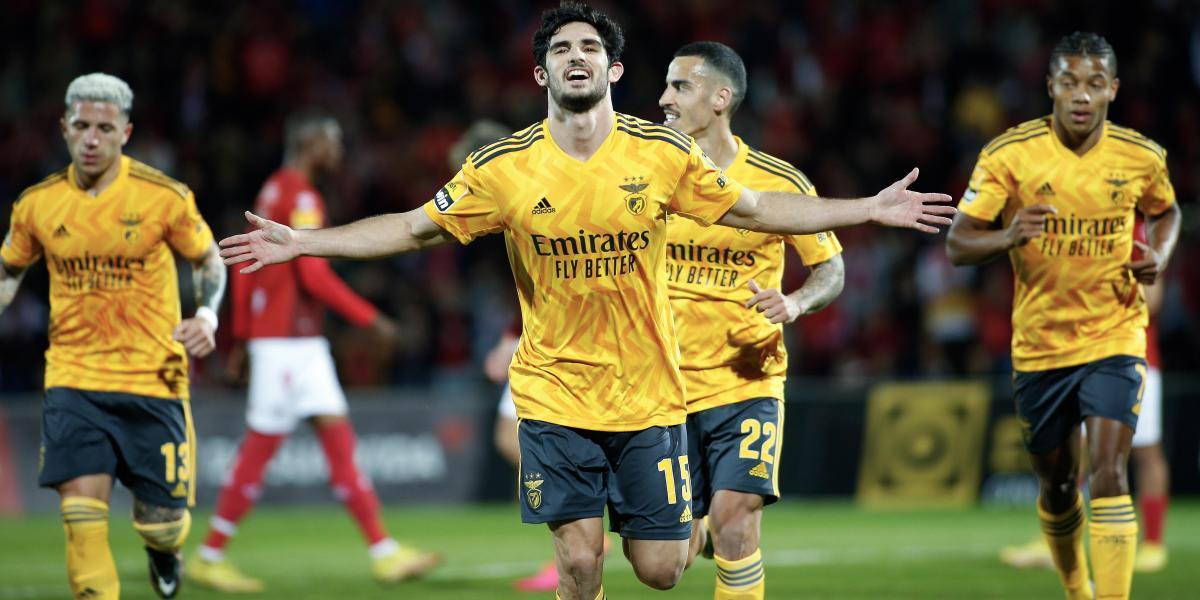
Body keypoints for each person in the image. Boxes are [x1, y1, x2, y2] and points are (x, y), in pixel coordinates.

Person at [219, 3, 955, 598]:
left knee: (664, 569)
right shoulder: (500, 167)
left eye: (591, 48)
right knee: (579, 565)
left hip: (650, 395)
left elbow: (760, 210)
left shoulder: (662, 154)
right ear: (542, 71)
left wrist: (866, 209)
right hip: (555, 393)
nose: (578, 56)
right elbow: (413, 227)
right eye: (563, 49)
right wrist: (306, 242)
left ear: (614, 68)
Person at [947, 32, 1181, 600]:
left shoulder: (1141, 156)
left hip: (1115, 333)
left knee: (1108, 473)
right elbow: (958, 244)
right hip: (1041, 345)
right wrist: (1009, 234)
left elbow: (1167, 212)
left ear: (1113, 91)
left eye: (1095, 85)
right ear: (1050, 85)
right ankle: (1077, 587)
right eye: (1070, 83)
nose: (1082, 95)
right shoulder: (1010, 154)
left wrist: (1158, 254)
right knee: (1056, 485)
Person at [187, 109, 439, 592]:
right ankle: (209, 554)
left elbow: (245, 268)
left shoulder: (272, 189)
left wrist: (239, 337)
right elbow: (312, 272)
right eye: (334, 140)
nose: (339, 150)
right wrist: (371, 319)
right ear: (313, 143)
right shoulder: (300, 194)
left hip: (293, 342)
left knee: (339, 443)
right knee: (260, 450)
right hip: (286, 344)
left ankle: (384, 551)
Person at [0, 72, 225, 599]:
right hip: (74, 377)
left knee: (161, 521)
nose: (92, 138)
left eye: (105, 127)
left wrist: (208, 317)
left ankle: (164, 550)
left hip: (154, 377)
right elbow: (10, 270)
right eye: (81, 125)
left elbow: (208, 257)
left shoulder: (163, 196)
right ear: (64, 128)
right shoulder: (38, 205)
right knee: (81, 517)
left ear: (126, 132)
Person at [658, 41, 846, 599]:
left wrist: (796, 303)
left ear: (721, 98)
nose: (663, 98)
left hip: (748, 380)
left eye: (679, 86)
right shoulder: (647, 177)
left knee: (736, 520)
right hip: (661, 386)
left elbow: (829, 268)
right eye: (666, 86)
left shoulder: (777, 181)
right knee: (669, 559)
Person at [999, 216, 1173, 575]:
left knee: (1145, 452)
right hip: (1074, 358)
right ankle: (1057, 541)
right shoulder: (1073, 228)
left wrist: (1094, 294)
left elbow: (1153, 299)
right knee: (1069, 453)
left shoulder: (1136, 229)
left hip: (1133, 357)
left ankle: (1154, 544)